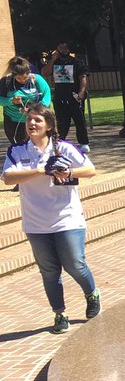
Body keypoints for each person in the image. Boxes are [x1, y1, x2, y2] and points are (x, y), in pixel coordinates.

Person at [2, 104, 101, 332]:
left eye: (37, 120)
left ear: (48, 125)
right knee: (49, 271)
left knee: (75, 264)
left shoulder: (63, 148)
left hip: (67, 219)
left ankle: (92, 293)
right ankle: (60, 314)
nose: (32, 123)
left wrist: (68, 172)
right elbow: (7, 178)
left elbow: (90, 170)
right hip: (36, 224)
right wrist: (40, 170)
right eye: (29, 120)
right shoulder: (17, 151)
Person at [49, 44, 90, 151]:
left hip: (74, 95)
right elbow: (45, 72)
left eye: (66, 48)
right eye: (61, 48)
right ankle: (59, 141)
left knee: (79, 119)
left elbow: (83, 77)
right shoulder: (55, 62)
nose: (64, 51)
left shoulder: (76, 62)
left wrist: (81, 92)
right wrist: (52, 60)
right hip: (60, 96)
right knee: (61, 121)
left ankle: (83, 142)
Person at [1, 57, 51, 145]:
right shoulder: (6, 81)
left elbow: (46, 97)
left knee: (38, 145)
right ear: (13, 75)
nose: (22, 81)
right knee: (18, 146)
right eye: (18, 78)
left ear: (29, 73)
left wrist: (34, 110)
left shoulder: (37, 79)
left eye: (25, 77)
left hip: (35, 120)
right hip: (13, 121)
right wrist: (11, 100)